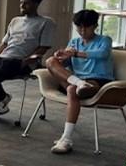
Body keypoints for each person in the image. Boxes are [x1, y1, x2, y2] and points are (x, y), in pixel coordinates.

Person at [44, 9, 114, 154]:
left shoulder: (104, 40)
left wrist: (75, 53)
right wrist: (61, 57)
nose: (82, 31)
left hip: (97, 80)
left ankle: (66, 138)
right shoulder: (74, 42)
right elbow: (64, 64)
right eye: (79, 28)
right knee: (50, 61)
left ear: (95, 26)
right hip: (76, 79)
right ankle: (79, 83)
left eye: (86, 28)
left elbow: (102, 54)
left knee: (72, 90)